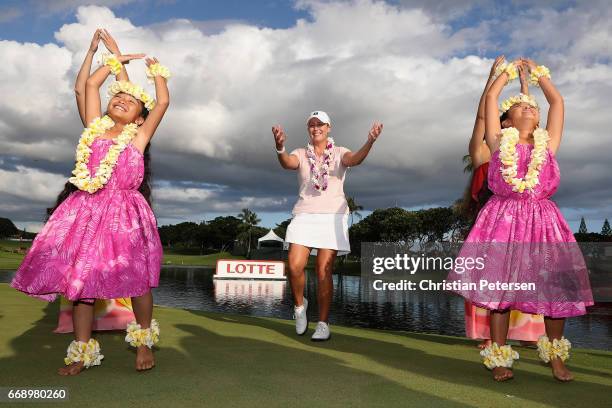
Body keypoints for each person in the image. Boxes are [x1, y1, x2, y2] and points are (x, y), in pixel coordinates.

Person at [11, 40, 171, 375]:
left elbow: (164, 101)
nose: (122, 100)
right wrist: (116, 59)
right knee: (80, 284)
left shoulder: (138, 138)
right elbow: (90, 84)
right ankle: (81, 354)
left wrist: (156, 75)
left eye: (131, 101)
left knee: (138, 281)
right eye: (118, 97)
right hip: (87, 211)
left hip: (126, 214)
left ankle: (143, 343)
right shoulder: (93, 131)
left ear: (140, 117)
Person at [447, 58, 593, 382]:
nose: (529, 108)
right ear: (508, 119)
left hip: (543, 219)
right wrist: (505, 75)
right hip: (504, 219)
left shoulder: (549, 144)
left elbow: (557, 101)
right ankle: (499, 357)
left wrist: (539, 77)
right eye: (521, 106)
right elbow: (489, 101)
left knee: (555, 290)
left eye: (533, 108)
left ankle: (555, 356)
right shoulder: (499, 142)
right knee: (501, 292)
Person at [272, 111, 382, 341]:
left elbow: (355, 159)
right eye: (311, 125)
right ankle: (300, 307)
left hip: (332, 217)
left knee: (324, 270)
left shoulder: (340, 152)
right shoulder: (301, 153)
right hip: (304, 214)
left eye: (320, 124)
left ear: (328, 127)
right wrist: (280, 146)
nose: (316, 128)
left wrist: (369, 141)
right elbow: (288, 163)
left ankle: (323, 323)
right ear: (308, 129)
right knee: (294, 265)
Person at [462, 56, 545, 349]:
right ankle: (490, 337)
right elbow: (482, 117)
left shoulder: (533, 150)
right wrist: (492, 76)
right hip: (492, 227)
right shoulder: (487, 152)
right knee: (492, 280)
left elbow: (531, 114)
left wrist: (525, 84)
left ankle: (526, 333)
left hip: (525, 226)